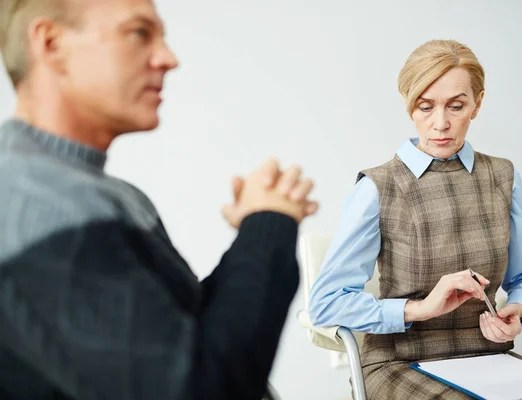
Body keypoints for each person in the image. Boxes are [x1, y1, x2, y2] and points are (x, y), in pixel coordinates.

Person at [0, 0, 318, 399]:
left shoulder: (104, 196)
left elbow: (184, 338)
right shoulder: (36, 198)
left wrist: (262, 223)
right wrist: (267, 226)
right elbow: (199, 389)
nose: (168, 58)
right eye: (139, 33)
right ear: (50, 43)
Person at [308, 39, 522, 399]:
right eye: (426, 107)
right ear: (410, 107)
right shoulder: (379, 186)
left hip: (488, 356)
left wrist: (519, 309)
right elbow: (326, 303)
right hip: (398, 361)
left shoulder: (503, 177)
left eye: (456, 106)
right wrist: (419, 309)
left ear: (477, 104)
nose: (441, 123)